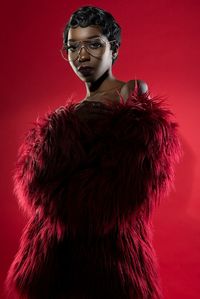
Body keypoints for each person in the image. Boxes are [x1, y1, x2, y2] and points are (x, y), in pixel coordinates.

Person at [6, 6, 181, 299]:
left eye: (94, 44)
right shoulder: (66, 114)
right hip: (56, 251)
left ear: (113, 50)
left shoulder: (130, 90)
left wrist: (72, 200)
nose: (81, 55)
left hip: (110, 250)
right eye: (73, 47)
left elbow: (133, 172)